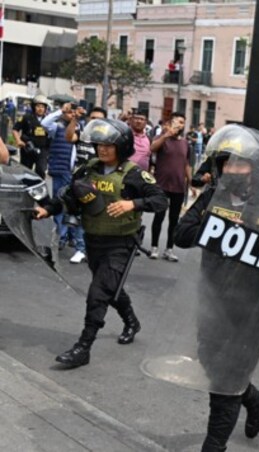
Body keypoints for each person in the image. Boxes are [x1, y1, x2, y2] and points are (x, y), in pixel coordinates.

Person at [173, 129, 259, 451]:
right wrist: (220, 228)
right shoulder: (211, 198)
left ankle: (214, 445)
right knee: (212, 364)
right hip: (214, 302)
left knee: (226, 382)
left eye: (241, 164)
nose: (233, 171)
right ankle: (255, 399)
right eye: (227, 164)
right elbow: (182, 233)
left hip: (252, 310)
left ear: (254, 168)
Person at [32, 118, 168, 368]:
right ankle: (132, 321)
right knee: (109, 289)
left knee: (98, 292)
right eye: (99, 144)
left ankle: (83, 347)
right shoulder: (87, 169)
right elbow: (69, 198)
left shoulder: (135, 175)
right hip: (93, 240)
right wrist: (47, 210)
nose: (102, 149)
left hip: (121, 243)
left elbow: (161, 201)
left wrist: (133, 203)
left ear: (122, 146)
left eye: (109, 145)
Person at [41, 103, 88, 264]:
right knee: (60, 205)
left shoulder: (82, 130)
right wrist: (61, 110)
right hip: (60, 172)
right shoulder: (57, 127)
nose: (71, 114)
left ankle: (72, 240)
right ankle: (61, 237)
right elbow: (44, 124)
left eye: (74, 112)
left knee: (72, 208)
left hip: (75, 174)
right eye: (69, 112)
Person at [148, 111, 191, 262]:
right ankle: (154, 247)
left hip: (179, 186)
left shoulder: (186, 143)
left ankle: (169, 249)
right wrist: (166, 135)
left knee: (174, 219)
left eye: (182, 122)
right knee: (159, 216)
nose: (180, 124)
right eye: (178, 121)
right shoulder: (162, 138)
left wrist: (190, 182)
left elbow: (187, 164)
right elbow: (152, 149)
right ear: (170, 123)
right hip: (162, 184)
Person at [13, 94, 50, 178]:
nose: (40, 109)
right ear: (34, 107)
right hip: (27, 148)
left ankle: (39, 189)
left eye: (42, 107)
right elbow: (15, 129)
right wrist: (18, 140)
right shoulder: (26, 117)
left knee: (41, 170)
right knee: (25, 172)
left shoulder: (48, 120)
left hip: (42, 150)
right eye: (38, 106)